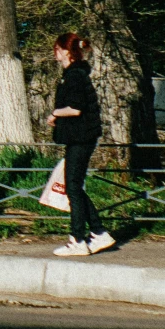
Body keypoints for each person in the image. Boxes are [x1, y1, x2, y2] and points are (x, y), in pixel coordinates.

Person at [48, 32, 113, 257]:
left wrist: (55, 113)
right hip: (81, 137)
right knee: (74, 187)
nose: (54, 53)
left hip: (80, 137)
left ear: (66, 51)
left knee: (73, 188)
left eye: (57, 49)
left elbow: (75, 108)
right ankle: (98, 232)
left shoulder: (74, 75)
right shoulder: (76, 74)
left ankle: (77, 239)